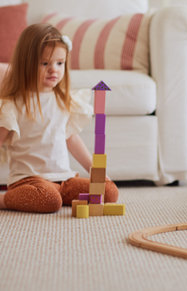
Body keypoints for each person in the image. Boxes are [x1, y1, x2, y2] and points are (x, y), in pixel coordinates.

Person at [0, 23, 118, 213]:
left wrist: (94, 171)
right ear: (26, 64)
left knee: (109, 191)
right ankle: (5, 199)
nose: (53, 69)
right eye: (45, 63)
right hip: (29, 180)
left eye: (59, 63)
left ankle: (57, 196)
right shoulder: (14, 104)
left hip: (64, 180)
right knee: (49, 200)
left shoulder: (62, 100)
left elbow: (71, 138)